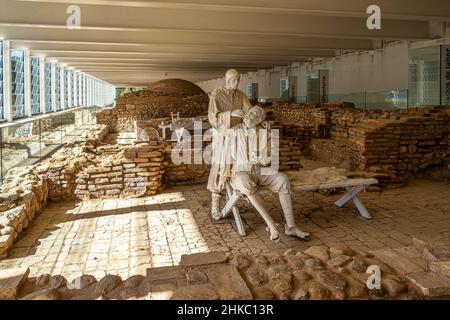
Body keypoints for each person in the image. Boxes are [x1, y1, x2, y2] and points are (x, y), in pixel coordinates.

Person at [229, 106, 310, 242]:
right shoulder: (235, 131)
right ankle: (271, 225)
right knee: (246, 183)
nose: (249, 115)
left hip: (260, 171)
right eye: (249, 112)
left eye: (253, 114)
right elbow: (232, 155)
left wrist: (267, 140)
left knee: (282, 179)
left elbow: (267, 159)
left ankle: (291, 227)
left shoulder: (263, 132)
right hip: (241, 171)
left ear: (260, 120)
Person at [207, 69, 252, 220]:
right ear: (227, 80)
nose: (237, 83)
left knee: (240, 165)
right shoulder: (216, 94)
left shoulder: (241, 95)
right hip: (223, 136)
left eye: (238, 80)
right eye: (234, 80)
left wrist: (257, 119)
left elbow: (250, 112)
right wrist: (230, 114)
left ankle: (235, 196)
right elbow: (213, 118)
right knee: (220, 167)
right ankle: (215, 205)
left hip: (239, 136)